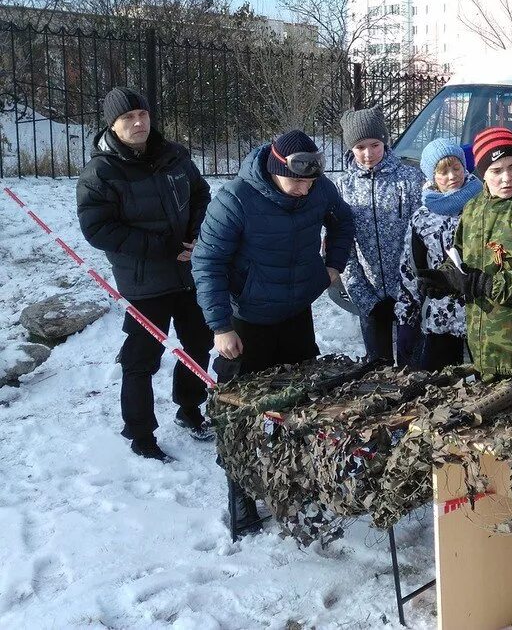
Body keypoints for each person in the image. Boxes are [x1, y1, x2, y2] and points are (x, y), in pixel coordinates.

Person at [192, 129, 354, 535]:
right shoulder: (235, 200)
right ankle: (242, 498)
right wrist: (220, 327)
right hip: (247, 321)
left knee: (301, 403)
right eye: (296, 181)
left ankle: (297, 481)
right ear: (275, 169)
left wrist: (332, 265)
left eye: (310, 182)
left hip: (296, 312)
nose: (303, 190)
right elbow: (207, 262)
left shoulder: (318, 190)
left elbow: (343, 220)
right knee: (244, 415)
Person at [76, 86, 214, 462]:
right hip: (143, 282)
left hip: (188, 273)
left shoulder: (175, 155)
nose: (138, 123)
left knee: (199, 345)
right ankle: (140, 432)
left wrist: (196, 234)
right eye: (127, 118)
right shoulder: (100, 173)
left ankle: (190, 409)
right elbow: (99, 229)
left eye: (142, 115)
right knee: (141, 359)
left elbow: (201, 195)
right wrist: (164, 246)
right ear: (113, 124)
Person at [417, 127, 512, 379]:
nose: (507, 178)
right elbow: (461, 255)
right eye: (496, 171)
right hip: (484, 348)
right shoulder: (474, 208)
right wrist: (446, 278)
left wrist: (486, 284)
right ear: (481, 172)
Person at [336, 106, 424, 364]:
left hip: (408, 293)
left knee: (414, 369)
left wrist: (413, 289)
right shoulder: (343, 188)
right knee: (377, 369)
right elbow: (343, 248)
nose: (368, 154)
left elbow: (422, 237)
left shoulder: (409, 179)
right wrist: (362, 295)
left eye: (375, 145)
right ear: (351, 149)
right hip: (370, 295)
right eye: (360, 147)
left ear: (384, 141)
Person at [395, 137, 482, 371]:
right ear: (432, 177)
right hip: (441, 316)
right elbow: (411, 270)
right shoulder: (422, 218)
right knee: (439, 388)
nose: (452, 176)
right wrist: (407, 318)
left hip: (481, 315)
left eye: (456, 168)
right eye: (443, 171)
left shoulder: (482, 205)